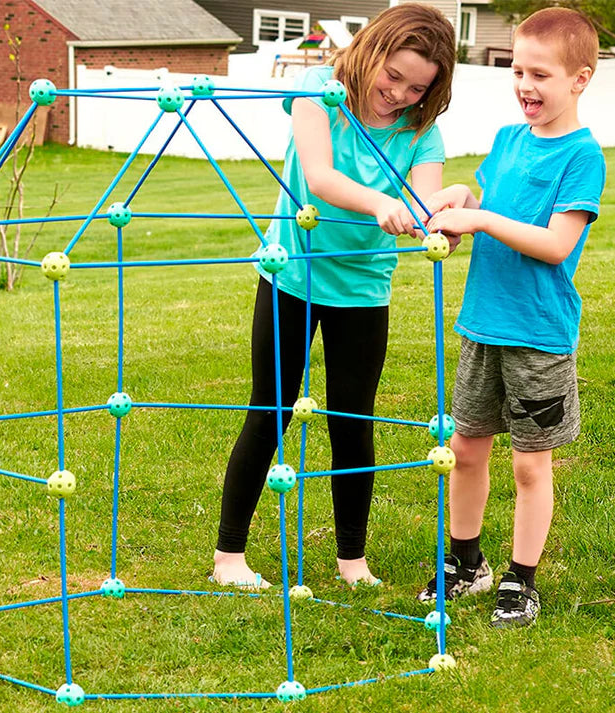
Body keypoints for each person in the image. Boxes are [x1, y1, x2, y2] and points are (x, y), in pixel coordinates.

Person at [212, 3, 457, 589]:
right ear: (369, 52)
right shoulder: (318, 90)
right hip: (291, 277)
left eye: (416, 87)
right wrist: (379, 203)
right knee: (269, 409)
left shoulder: (421, 132)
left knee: (353, 421)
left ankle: (353, 562)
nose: (397, 94)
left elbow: (424, 206)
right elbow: (318, 175)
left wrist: (443, 206)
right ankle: (229, 558)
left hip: (364, 289)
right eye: (392, 76)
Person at [417, 7, 606, 628]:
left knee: (529, 462)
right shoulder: (507, 141)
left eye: (541, 74)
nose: (525, 85)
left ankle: (520, 580)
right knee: (466, 450)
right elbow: (489, 207)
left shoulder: (582, 158)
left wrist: (482, 218)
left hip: (539, 335)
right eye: (517, 71)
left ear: (581, 78)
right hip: (482, 325)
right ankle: (464, 563)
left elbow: (555, 244)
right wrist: (463, 200)